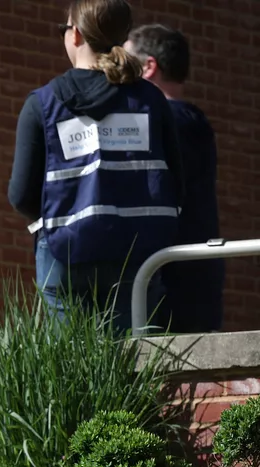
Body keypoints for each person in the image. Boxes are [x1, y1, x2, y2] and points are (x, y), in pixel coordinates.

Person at [8, 0, 184, 334]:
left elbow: (20, 195)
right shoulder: (151, 100)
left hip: (65, 252)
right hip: (138, 256)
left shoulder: (43, 104)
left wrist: (51, 227)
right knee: (133, 369)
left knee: (71, 375)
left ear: (74, 35)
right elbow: (176, 181)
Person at [126, 24, 224, 334]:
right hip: (188, 277)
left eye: (126, 61)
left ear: (148, 66)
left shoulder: (167, 123)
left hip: (171, 280)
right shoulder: (190, 123)